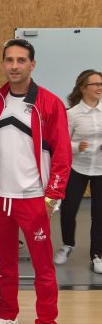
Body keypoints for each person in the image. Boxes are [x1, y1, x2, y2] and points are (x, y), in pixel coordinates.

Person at [0, 39, 72, 324]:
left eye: (21, 60)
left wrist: (53, 193)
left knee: (43, 268)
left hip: (33, 199)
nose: (14, 66)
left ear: (33, 64)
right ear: (3, 63)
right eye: (9, 60)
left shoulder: (50, 103)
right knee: (5, 266)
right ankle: (8, 317)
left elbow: (63, 153)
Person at [54, 69, 102, 272]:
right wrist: (76, 147)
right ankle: (67, 244)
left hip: (100, 170)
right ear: (83, 88)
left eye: (101, 84)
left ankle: (97, 255)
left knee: (99, 215)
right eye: (95, 84)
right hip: (77, 168)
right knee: (68, 210)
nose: (100, 87)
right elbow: (62, 142)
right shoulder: (72, 114)